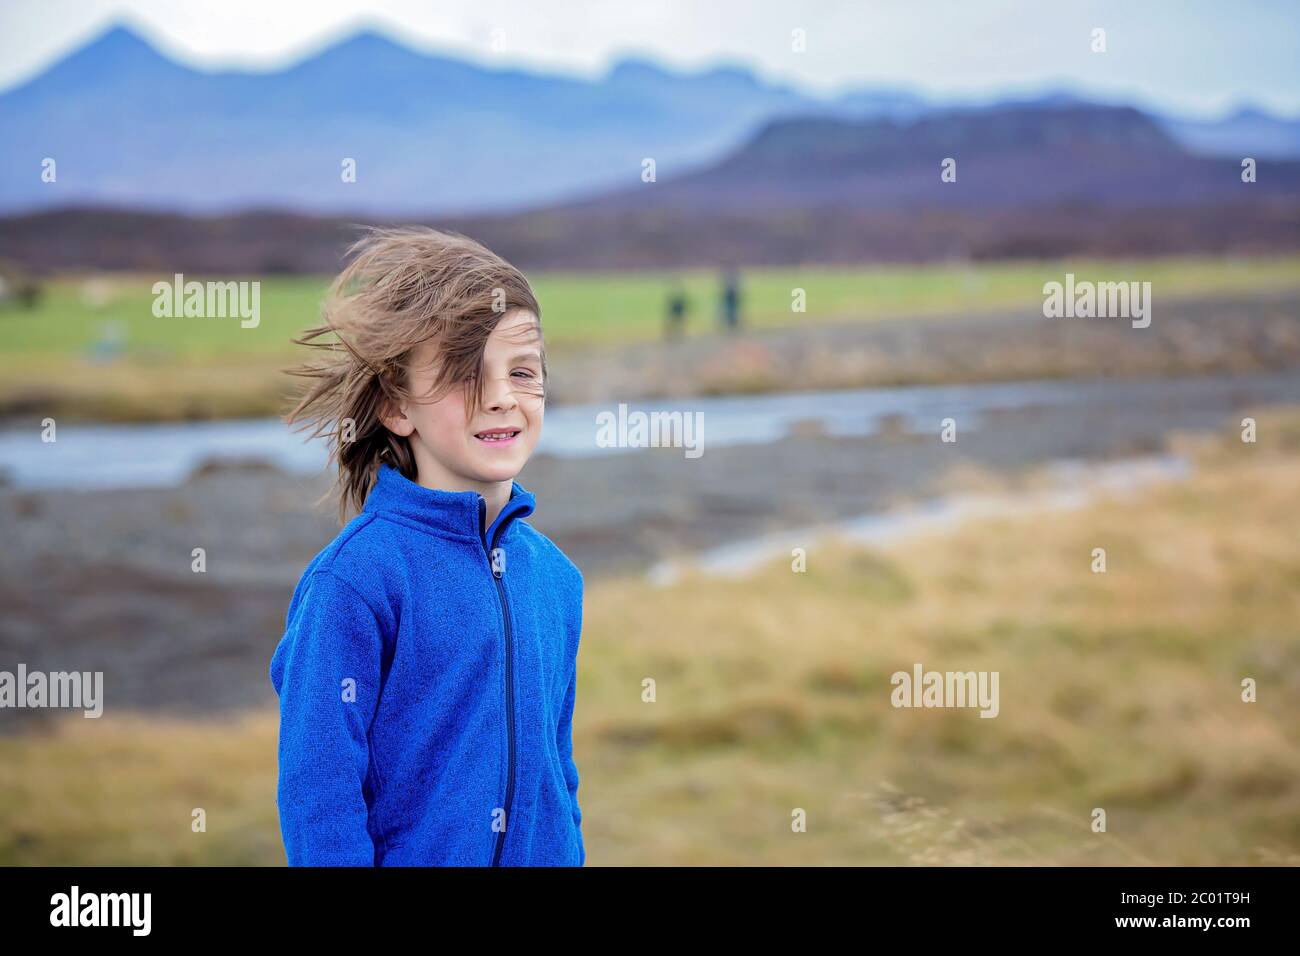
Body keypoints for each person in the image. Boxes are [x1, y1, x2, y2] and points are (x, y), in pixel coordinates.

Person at [270, 226, 585, 866]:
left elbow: (560, 774)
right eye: (466, 373)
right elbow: (318, 798)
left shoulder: (557, 578)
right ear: (396, 405)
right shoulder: (355, 584)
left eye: (523, 371)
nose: (502, 398)